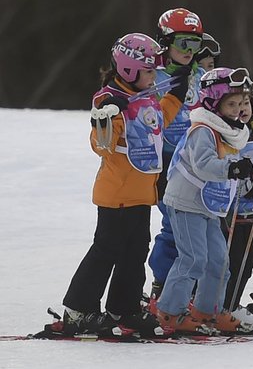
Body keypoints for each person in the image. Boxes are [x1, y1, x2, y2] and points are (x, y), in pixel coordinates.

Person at [59, 33, 188, 337]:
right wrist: (107, 117)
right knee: (106, 250)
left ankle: (124, 307)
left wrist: (177, 94)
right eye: (148, 72)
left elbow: (159, 122)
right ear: (129, 70)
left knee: (135, 252)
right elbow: (100, 146)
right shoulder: (108, 100)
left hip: (142, 194)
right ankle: (79, 309)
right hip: (116, 195)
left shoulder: (144, 97)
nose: (154, 77)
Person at [155, 67, 253, 334]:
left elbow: (229, 167)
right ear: (215, 102)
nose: (238, 109)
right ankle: (170, 312)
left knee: (219, 261)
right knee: (193, 259)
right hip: (186, 203)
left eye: (241, 103)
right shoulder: (203, 129)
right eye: (231, 103)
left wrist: (247, 179)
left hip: (210, 206)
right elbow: (204, 164)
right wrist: (232, 169)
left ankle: (207, 310)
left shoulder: (230, 131)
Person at [148, 8, 207, 298]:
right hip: (166, 160)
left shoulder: (201, 75)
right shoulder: (154, 77)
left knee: (198, 226)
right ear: (166, 42)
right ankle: (163, 282)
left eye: (195, 44)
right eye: (183, 43)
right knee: (174, 224)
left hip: (197, 161)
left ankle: (192, 286)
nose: (189, 51)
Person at [211, 92, 253, 326]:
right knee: (230, 261)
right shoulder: (224, 131)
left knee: (246, 262)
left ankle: (234, 303)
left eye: (246, 103)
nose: (242, 109)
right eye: (236, 104)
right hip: (231, 211)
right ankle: (221, 305)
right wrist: (244, 188)